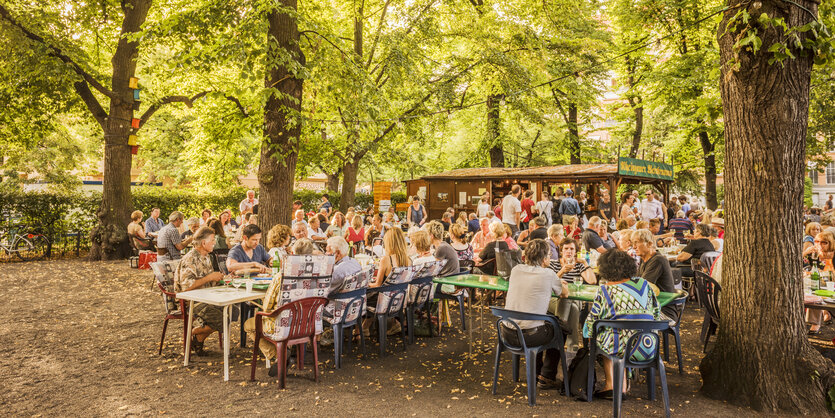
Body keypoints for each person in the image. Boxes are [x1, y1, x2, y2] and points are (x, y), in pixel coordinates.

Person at [582, 249, 660, 399]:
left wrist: (588, 335)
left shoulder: (605, 290)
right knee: (617, 333)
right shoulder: (645, 285)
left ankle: (613, 386)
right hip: (648, 345)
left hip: (620, 347)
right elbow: (656, 313)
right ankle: (623, 383)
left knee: (603, 337)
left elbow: (592, 321)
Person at [503, 239, 570, 390]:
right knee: (560, 328)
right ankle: (546, 375)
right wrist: (562, 283)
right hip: (530, 336)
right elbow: (564, 294)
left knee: (539, 322)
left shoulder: (516, 270)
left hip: (507, 332)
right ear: (545, 258)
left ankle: (536, 372)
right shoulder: (548, 274)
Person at [175, 226, 224, 355]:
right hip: (192, 300)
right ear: (203, 243)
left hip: (208, 297)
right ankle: (193, 333)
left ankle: (198, 339)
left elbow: (209, 281)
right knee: (223, 319)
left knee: (233, 311)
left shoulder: (206, 256)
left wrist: (220, 278)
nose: (214, 242)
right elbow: (186, 287)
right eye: (212, 240)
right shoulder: (190, 259)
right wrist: (209, 277)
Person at [549, 237, 596, 350]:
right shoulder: (554, 264)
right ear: (561, 251)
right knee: (573, 309)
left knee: (572, 303)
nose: (569, 251)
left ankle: (559, 335)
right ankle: (572, 349)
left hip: (574, 299)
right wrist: (562, 272)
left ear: (575, 252)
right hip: (555, 299)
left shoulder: (578, 265)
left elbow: (592, 281)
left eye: (572, 249)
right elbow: (548, 282)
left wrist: (584, 262)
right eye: (566, 248)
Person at [633, 228, 676, 297]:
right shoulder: (643, 258)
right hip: (652, 300)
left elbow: (642, 286)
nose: (634, 247)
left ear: (649, 244)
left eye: (637, 242)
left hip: (663, 302)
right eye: (633, 243)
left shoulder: (658, 260)